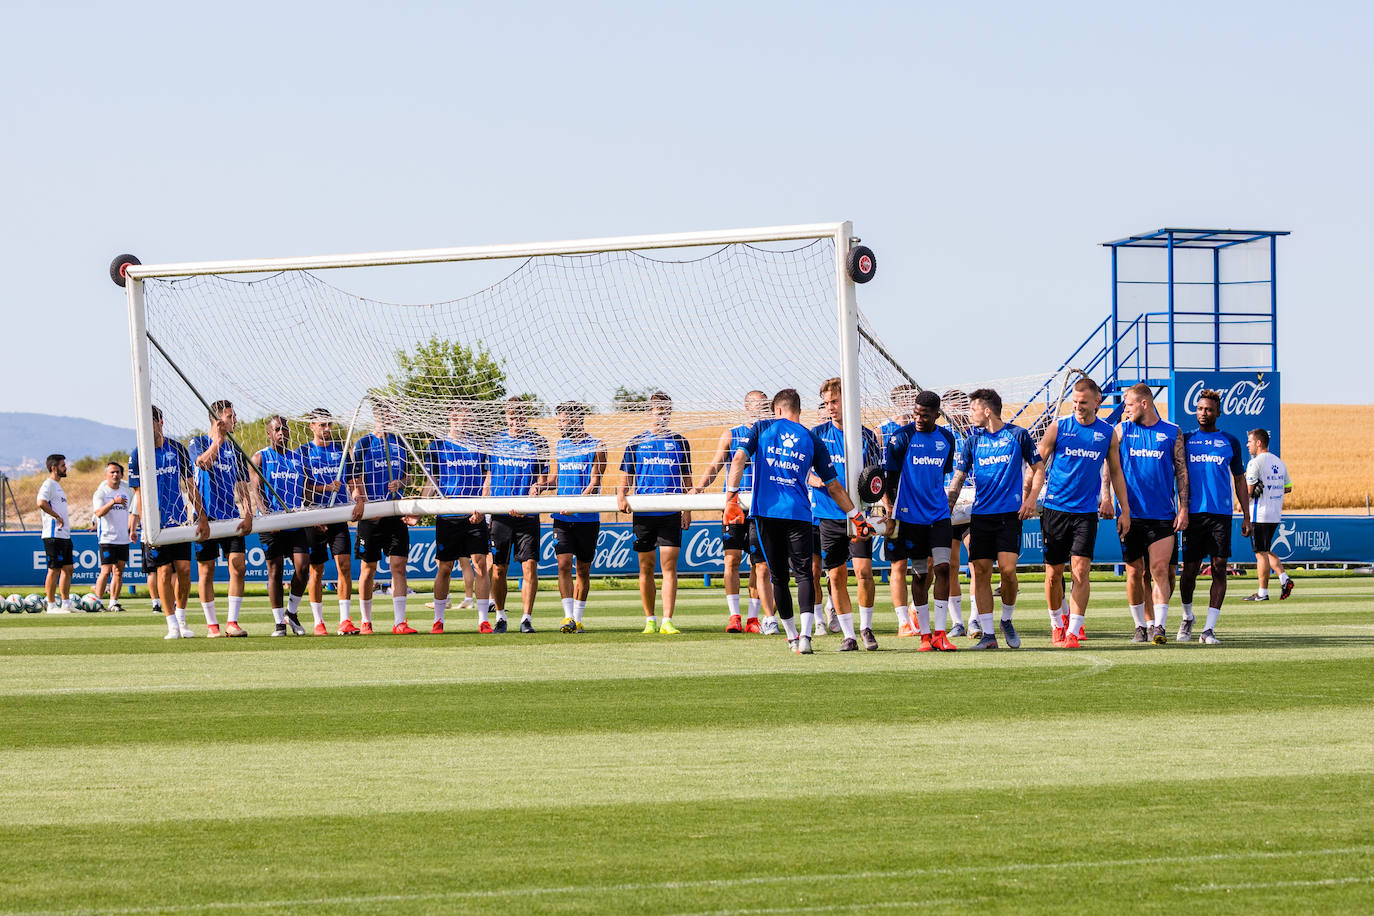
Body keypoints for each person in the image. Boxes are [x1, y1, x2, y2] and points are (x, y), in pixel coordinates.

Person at [725, 388, 873, 655]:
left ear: (777, 410)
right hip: (799, 514)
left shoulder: (762, 428)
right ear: (799, 410)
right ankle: (806, 635)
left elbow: (738, 459)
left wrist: (731, 499)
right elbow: (834, 486)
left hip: (767, 513)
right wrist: (856, 516)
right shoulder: (812, 438)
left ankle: (792, 635)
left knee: (779, 577)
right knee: (804, 574)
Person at [946, 388, 1042, 650]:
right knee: (981, 572)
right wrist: (948, 508)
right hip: (981, 516)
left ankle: (1006, 620)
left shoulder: (1018, 435)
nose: (970, 414)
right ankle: (988, 635)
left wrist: (1031, 499)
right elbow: (959, 478)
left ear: (987, 411)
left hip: (1009, 516)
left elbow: (1038, 468)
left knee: (1008, 571)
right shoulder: (972, 441)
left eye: (973, 409)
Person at [1037, 378, 1129, 649]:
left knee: (1081, 571)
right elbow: (1037, 463)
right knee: (1053, 574)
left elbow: (1116, 472)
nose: (1078, 406)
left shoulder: (1107, 433)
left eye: (1083, 402)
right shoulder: (1059, 427)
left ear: (1097, 402)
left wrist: (1123, 509)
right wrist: (1029, 496)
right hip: (1055, 510)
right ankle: (1057, 623)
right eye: (1075, 402)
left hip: (1086, 513)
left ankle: (1074, 631)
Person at [882, 389, 958, 653]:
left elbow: (942, 473)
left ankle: (940, 633)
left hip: (939, 515)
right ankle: (925, 635)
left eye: (925, 415)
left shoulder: (947, 439)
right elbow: (891, 479)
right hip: (910, 518)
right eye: (916, 413)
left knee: (944, 568)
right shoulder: (901, 437)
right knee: (919, 573)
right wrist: (891, 512)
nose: (918, 419)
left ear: (936, 415)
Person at [692, 390, 774, 634]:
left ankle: (753, 618)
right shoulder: (732, 434)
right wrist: (699, 487)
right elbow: (715, 465)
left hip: (761, 506)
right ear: (747, 407)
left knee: (759, 564)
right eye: (758, 405)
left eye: (766, 405)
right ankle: (734, 616)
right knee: (732, 559)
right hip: (735, 506)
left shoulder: (770, 434)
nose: (763, 409)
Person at [809, 378, 882, 649]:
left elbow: (876, 476)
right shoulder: (817, 435)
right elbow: (801, 468)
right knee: (836, 575)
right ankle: (849, 635)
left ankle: (866, 628)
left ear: (848, 401)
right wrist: (812, 478)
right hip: (828, 515)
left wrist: (886, 506)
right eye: (826, 403)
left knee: (864, 572)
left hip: (859, 515)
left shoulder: (867, 436)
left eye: (835, 401)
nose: (830, 407)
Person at [1114, 383, 1188, 644]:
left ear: (1144, 403)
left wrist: (1184, 508)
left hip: (1162, 515)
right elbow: (1109, 466)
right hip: (1130, 515)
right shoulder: (1121, 430)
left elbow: (1181, 471)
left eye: (1129, 405)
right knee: (1136, 573)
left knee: (1159, 570)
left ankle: (1159, 626)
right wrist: (1106, 498)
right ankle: (1140, 626)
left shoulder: (1172, 431)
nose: (1125, 410)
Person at [130, 405, 210, 638]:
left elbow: (190, 485)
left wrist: (201, 515)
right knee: (163, 572)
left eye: (151, 422)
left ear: (160, 422)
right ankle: (171, 623)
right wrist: (146, 527)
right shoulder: (138, 453)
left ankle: (182, 619)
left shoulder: (177, 448)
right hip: (156, 525)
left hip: (179, 521)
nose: (148, 428)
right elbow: (138, 494)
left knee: (184, 570)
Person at [1178, 391, 1251, 644]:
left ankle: (1208, 629)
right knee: (1189, 571)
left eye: (1208, 409)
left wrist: (1247, 515)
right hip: (1193, 514)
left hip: (1221, 515)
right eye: (1200, 408)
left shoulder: (1230, 441)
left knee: (1219, 568)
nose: (1203, 413)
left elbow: (1239, 479)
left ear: (1218, 412)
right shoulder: (1186, 439)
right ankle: (1187, 617)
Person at [618, 391, 693, 635]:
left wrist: (687, 509)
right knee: (646, 566)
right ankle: (650, 619)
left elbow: (687, 479)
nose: (662, 416)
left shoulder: (680, 442)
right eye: (658, 411)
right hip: (644, 513)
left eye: (666, 412)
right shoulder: (636, 442)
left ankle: (667, 620)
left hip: (670, 512)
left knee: (669, 565)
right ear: (649, 412)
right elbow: (626, 475)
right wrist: (621, 494)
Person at [346, 398, 418, 634]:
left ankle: (399, 622)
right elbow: (355, 478)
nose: (389, 418)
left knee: (399, 565)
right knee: (368, 568)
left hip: (395, 513)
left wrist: (400, 483)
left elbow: (409, 477)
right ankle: (365, 621)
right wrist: (366, 504)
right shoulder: (364, 443)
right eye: (386, 414)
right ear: (377, 416)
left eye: (392, 414)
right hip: (372, 515)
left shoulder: (400, 442)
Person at [188, 400, 255, 637]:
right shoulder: (198, 442)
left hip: (230, 517)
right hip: (205, 516)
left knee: (238, 566)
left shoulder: (235, 449)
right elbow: (203, 464)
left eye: (234, 415)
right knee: (206, 571)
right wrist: (217, 440)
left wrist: (248, 513)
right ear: (217, 420)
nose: (235, 420)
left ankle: (232, 622)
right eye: (230, 416)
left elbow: (242, 485)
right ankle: (212, 625)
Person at [424, 403, 493, 634]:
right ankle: (438, 620)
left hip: (474, 514)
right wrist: (418, 509)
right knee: (445, 567)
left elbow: (486, 478)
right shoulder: (437, 446)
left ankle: (483, 620)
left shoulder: (479, 445)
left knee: (480, 565)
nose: (464, 419)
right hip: (448, 516)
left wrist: (481, 506)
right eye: (460, 414)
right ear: (451, 417)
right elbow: (431, 481)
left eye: (467, 415)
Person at [486, 397, 550, 633]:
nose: (516, 420)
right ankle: (500, 617)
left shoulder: (538, 442)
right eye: (512, 416)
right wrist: (483, 509)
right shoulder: (494, 442)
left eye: (520, 415)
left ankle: (526, 619)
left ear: (526, 416)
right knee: (498, 568)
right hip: (500, 515)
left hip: (527, 515)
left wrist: (535, 492)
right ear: (506, 417)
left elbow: (542, 480)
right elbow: (488, 478)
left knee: (529, 566)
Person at [299, 408, 363, 635]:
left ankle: (345, 620)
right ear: (312, 426)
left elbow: (353, 483)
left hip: (338, 516)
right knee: (316, 570)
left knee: (344, 565)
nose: (327, 429)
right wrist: (324, 488)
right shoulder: (303, 452)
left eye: (329, 424)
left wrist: (358, 500)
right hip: (314, 516)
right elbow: (301, 487)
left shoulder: (341, 450)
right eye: (322, 425)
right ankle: (318, 622)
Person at [251, 416, 313, 636]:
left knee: (303, 567)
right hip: (271, 524)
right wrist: (268, 517)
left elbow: (307, 489)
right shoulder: (260, 457)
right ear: (269, 433)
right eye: (277, 429)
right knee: (275, 572)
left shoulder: (298, 458)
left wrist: (313, 511)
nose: (282, 433)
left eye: (285, 429)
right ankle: (279, 623)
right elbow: (256, 490)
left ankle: (291, 613)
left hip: (295, 522)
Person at [550, 401, 605, 633]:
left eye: (562, 420)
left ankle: (578, 619)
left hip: (587, 518)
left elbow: (595, 482)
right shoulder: (560, 445)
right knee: (563, 564)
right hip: (562, 517)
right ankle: (568, 617)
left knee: (583, 569)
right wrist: (540, 486)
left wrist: (577, 505)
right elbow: (555, 478)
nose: (559, 425)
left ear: (574, 419)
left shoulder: (597, 445)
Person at [1244, 427, 1294, 602]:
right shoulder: (1279, 462)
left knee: (1260, 554)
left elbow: (1248, 491)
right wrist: (1272, 489)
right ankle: (1284, 579)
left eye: (1250, 441)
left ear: (1258, 443)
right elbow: (1288, 487)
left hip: (1259, 514)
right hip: (1274, 514)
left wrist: (1242, 500)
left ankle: (1262, 592)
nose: (1247, 445)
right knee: (1266, 550)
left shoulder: (1255, 463)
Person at [940, 389, 975, 637]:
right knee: (950, 564)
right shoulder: (942, 436)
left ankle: (975, 619)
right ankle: (957, 622)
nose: (955, 414)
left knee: (977, 561)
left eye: (959, 408)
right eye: (950, 409)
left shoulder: (976, 435)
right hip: (947, 505)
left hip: (974, 505)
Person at [92, 461, 133, 612]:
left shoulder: (127, 491)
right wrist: (113, 502)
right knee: (105, 570)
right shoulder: (101, 493)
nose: (115, 475)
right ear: (106, 475)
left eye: (117, 472)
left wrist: (132, 528)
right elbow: (98, 513)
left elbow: (132, 511)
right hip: (107, 538)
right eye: (112, 472)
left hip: (123, 538)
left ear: (122, 475)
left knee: (118, 571)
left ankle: (113, 603)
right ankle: (97, 602)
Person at [37, 454, 75, 613]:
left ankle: (66, 604)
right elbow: (41, 502)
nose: (66, 468)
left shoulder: (57, 486)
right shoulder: (48, 485)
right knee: (54, 569)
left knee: (69, 569)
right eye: (63, 465)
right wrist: (56, 516)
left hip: (64, 535)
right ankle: (51, 605)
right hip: (53, 535)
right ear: (54, 468)